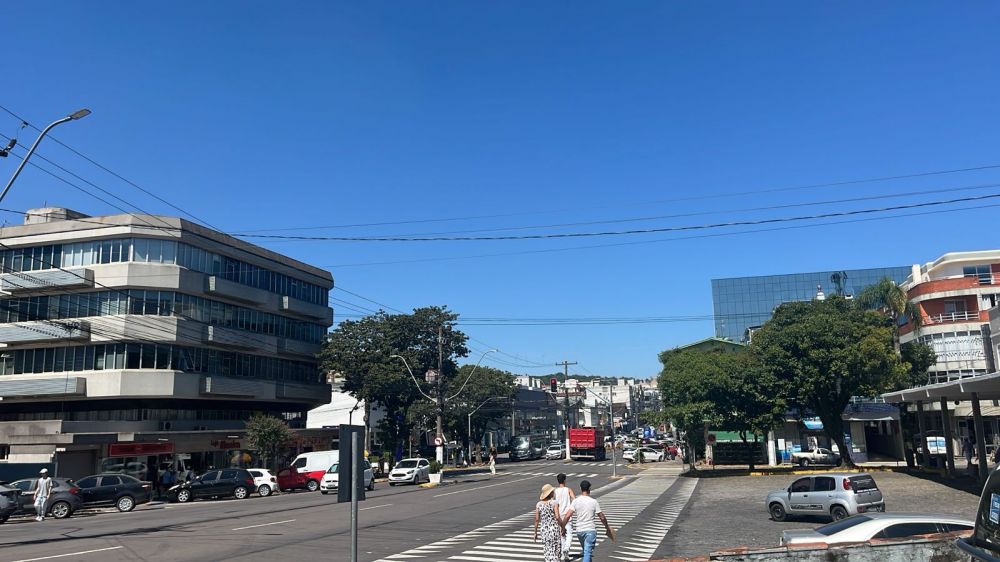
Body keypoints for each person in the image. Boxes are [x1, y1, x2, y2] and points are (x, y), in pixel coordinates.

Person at [561, 479, 615, 562]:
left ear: (580, 488)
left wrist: (562, 527)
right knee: (587, 552)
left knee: (587, 552)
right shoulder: (593, 502)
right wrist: (606, 526)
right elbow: (602, 517)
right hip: (590, 530)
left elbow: (567, 515)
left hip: (579, 531)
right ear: (589, 489)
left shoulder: (575, 501)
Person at [534, 484, 564, 562]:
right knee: (556, 549)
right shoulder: (554, 503)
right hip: (553, 529)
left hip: (544, 530)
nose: (554, 492)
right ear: (550, 493)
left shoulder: (538, 504)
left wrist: (535, 532)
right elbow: (557, 517)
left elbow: (537, 519)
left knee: (547, 549)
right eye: (552, 491)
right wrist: (563, 527)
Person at [554, 473, 576, 561]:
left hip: (559, 516)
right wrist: (571, 508)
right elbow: (574, 499)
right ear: (565, 480)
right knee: (569, 534)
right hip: (568, 515)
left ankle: (563, 554)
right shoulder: (568, 490)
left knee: (562, 534)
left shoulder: (555, 491)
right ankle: (566, 548)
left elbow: (553, 502)